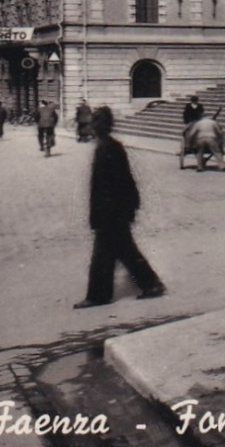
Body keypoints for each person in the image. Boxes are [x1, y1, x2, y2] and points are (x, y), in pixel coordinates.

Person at [74, 107, 165, 308]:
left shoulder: (108, 148)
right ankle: (150, 284)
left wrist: (103, 212)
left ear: (99, 126)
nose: (90, 128)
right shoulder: (109, 146)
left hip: (111, 211)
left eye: (93, 123)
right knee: (123, 250)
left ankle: (100, 295)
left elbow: (115, 183)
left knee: (105, 254)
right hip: (115, 210)